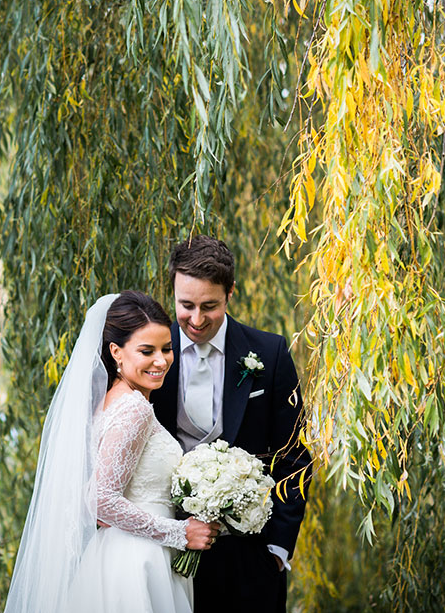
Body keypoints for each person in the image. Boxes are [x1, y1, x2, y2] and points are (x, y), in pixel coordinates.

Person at [4, 291, 219, 613]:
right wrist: (180, 532)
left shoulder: (112, 401)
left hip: (123, 550)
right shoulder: (134, 409)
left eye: (167, 348)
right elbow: (100, 500)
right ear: (116, 352)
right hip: (139, 560)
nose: (161, 361)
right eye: (147, 351)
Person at [151, 236, 312, 613]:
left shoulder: (269, 353)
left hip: (250, 557)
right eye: (185, 305)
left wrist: (277, 549)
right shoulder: (152, 355)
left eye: (210, 306)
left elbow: (295, 455)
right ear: (171, 290)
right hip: (167, 552)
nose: (196, 319)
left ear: (230, 293)